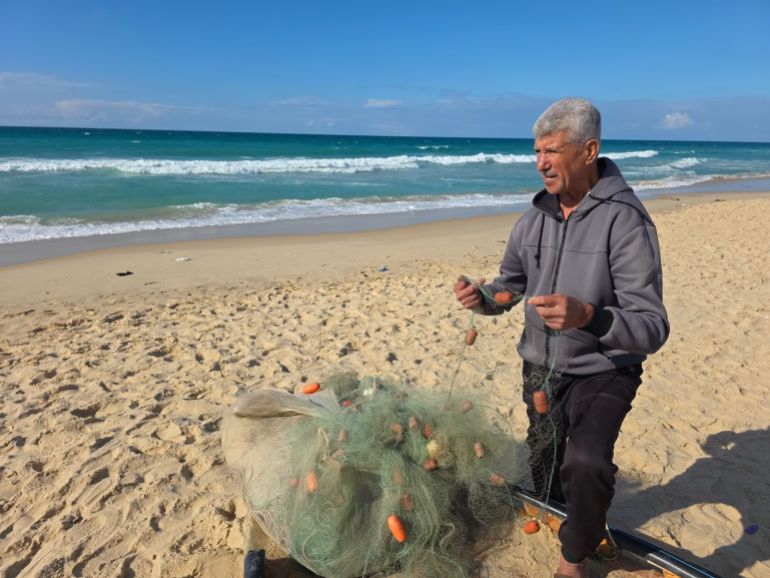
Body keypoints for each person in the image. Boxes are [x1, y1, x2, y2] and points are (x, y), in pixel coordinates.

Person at [453, 98, 669, 578]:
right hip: (539, 369)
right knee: (545, 462)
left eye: (552, 151)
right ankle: (564, 516)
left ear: (589, 150)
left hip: (605, 369)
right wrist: (482, 297)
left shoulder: (627, 222)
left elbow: (653, 326)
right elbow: (510, 285)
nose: (541, 163)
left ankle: (572, 560)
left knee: (587, 462)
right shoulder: (532, 219)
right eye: (536, 152)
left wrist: (589, 316)